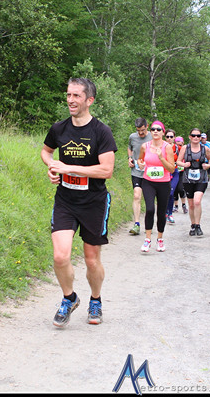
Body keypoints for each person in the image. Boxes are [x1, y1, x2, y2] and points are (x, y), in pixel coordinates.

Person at [41, 77, 117, 327]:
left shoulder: (101, 131)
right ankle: (69, 298)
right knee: (60, 256)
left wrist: (69, 168)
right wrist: (52, 166)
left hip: (94, 202)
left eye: (76, 96)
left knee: (91, 259)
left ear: (89, 100)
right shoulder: (59, 128)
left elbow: (106, 170)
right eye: (68, 95)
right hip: (66, 200)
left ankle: (95, 300)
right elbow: (46, 151)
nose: (70, 100)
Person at [137, 121, 175, 252]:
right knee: (149, 209)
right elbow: (140, 159)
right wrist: (140, 164)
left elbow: (171, 169)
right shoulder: (145, 146)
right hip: (148, 182)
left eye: (158, 129)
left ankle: (160, 239)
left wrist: (161, 158)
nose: (155, 131)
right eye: (153, 129)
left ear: (163, 132)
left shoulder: (167, 147)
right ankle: (147, 239)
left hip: (163, 183)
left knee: (161, 212)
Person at [176, 128, 210, 237]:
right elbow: (178, 161)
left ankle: (198, 225)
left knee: (197, 201)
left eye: (198, 136)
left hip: (201, 178)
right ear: (190, 137)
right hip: (188, 178)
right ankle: (193, 225)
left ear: (200, 137)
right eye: (194, 135)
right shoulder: (185, 148)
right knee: (191, 204)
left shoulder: (205, 148)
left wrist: (208, 165)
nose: (196, 138)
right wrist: (184, 165)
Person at [127, 118, 151, 235]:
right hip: (136, 171)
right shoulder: (132, 137)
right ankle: (136, 224)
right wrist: (130, 158)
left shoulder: (153, 137)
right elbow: (129, 148)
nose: (140, 133)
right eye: (138, 131)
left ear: (147, 126)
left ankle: (149, 223)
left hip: (149, 172)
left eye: (142, 130)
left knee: (148, 199)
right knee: (137, 196)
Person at [163, 131, 183, 224]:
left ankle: (170, 214)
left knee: (171, 193)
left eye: (171, 136)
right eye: (167, 136)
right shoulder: (162, 147)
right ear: (165, 137)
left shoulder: (178, 148)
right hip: (164, 173)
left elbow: (184, 158)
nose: (169, 138)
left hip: (174, 172)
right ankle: (165, 212)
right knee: (164, 194)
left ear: (174, 138)